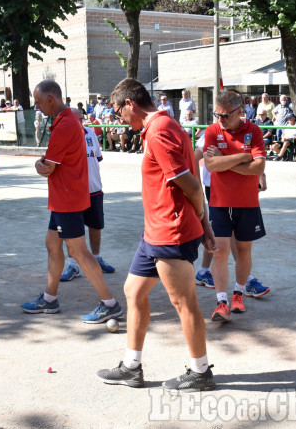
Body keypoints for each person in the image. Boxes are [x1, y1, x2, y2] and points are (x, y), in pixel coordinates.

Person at [97, 78, 216, 391]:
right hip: (155, 231)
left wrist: (204, 223)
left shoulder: (160, 129)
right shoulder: (162, 125)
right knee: (134, 291)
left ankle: (200, 371)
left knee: (184, 302)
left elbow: (190, 184)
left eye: (118, 111)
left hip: (170, 231)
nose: (119, 118)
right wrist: (204, 225)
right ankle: (131, 367)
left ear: (130, 104)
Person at [21, 80, 123, 323]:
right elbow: (51, 161)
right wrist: (42, 163)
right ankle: (49, 298)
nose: (37, 107)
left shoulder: (65, 125)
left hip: (66, 198)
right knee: (52, 244)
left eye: (38, 102)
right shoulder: (65, 122)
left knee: (78, 252)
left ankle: (109, 303)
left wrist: (39, 164)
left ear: (51, 100)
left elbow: (48, 166)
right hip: (63, 198)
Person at [203, 90, 266, 322]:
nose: (220, 119)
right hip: (219, 202)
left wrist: (225, 160)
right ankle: (221, 302)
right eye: (217, 114)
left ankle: (238, 293)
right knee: (219, 251)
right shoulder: (212, 131)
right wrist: (242, 157)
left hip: (248, 202)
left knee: (244, 252)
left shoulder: (254, 131)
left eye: (225, 115)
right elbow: (210, 164)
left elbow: (258, 168)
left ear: (240, 111)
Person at [60, 109, 116, 282]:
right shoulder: (64, 136)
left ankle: (97, 258)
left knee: (95, 226)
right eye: (76, 118)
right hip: (74, 192)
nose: (79, 121)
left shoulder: (90, 132)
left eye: (81, 118)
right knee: (73, 230)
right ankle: (73, 265)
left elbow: (97, 158)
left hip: (94, 189)